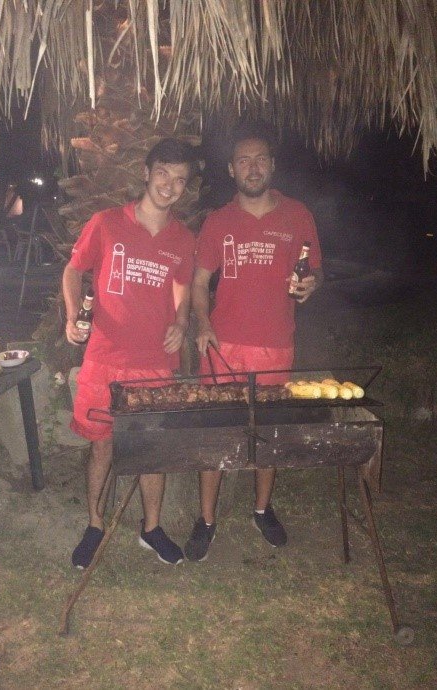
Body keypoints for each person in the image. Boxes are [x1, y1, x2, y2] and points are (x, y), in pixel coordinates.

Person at [184, 120, 323, 562]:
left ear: (272, 165)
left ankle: (262, 510)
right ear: (231, 169)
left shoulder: (298, 215)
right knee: (215, 429)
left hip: (276, 343)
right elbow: (199, 282)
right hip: (222, 344)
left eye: (260, 159)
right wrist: (202, 323)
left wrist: (311, 284)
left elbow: (314, 270)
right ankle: (206, 519)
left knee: (268, 432)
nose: (253, 167)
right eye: (244, 160)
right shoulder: (218, 221)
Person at [63, 138, 196, 568]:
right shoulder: (105, 223)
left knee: (151, 449)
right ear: (146, 173)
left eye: (180, 180)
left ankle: (151, 528)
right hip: (104, 358)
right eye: (163, 174)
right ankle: (95, 524)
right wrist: (72, 316)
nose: (169, 185)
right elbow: (73, 269)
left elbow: (181, 285)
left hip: (154, 363)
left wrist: (181, 321)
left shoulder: (182, 239)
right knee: (101, 446)